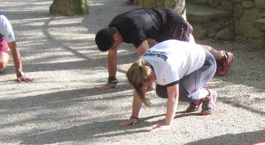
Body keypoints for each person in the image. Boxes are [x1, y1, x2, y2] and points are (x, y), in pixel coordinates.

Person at [95, 7, 233, 89]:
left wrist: (149, 83)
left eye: (113, 46)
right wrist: (112, 80)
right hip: (159, 28)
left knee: (192, 50)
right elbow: (112, 55)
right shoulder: (112, 29)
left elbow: (146, 56)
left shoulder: (133, 29)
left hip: (172, 22)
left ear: (116, 37)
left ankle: (222, 56)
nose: (114, 48)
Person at [120, 39, 219, 131]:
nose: (145, 88)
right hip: (185, 61)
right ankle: (196, 98)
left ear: (150, 77)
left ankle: (208, 94)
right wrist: (134, 117)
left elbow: (174, 96)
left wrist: (167, 123)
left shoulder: (166, 67)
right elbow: (139, 90)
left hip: (205, 63)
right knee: (162, 91)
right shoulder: (141, 66)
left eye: (146, 85)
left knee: (183, 93)